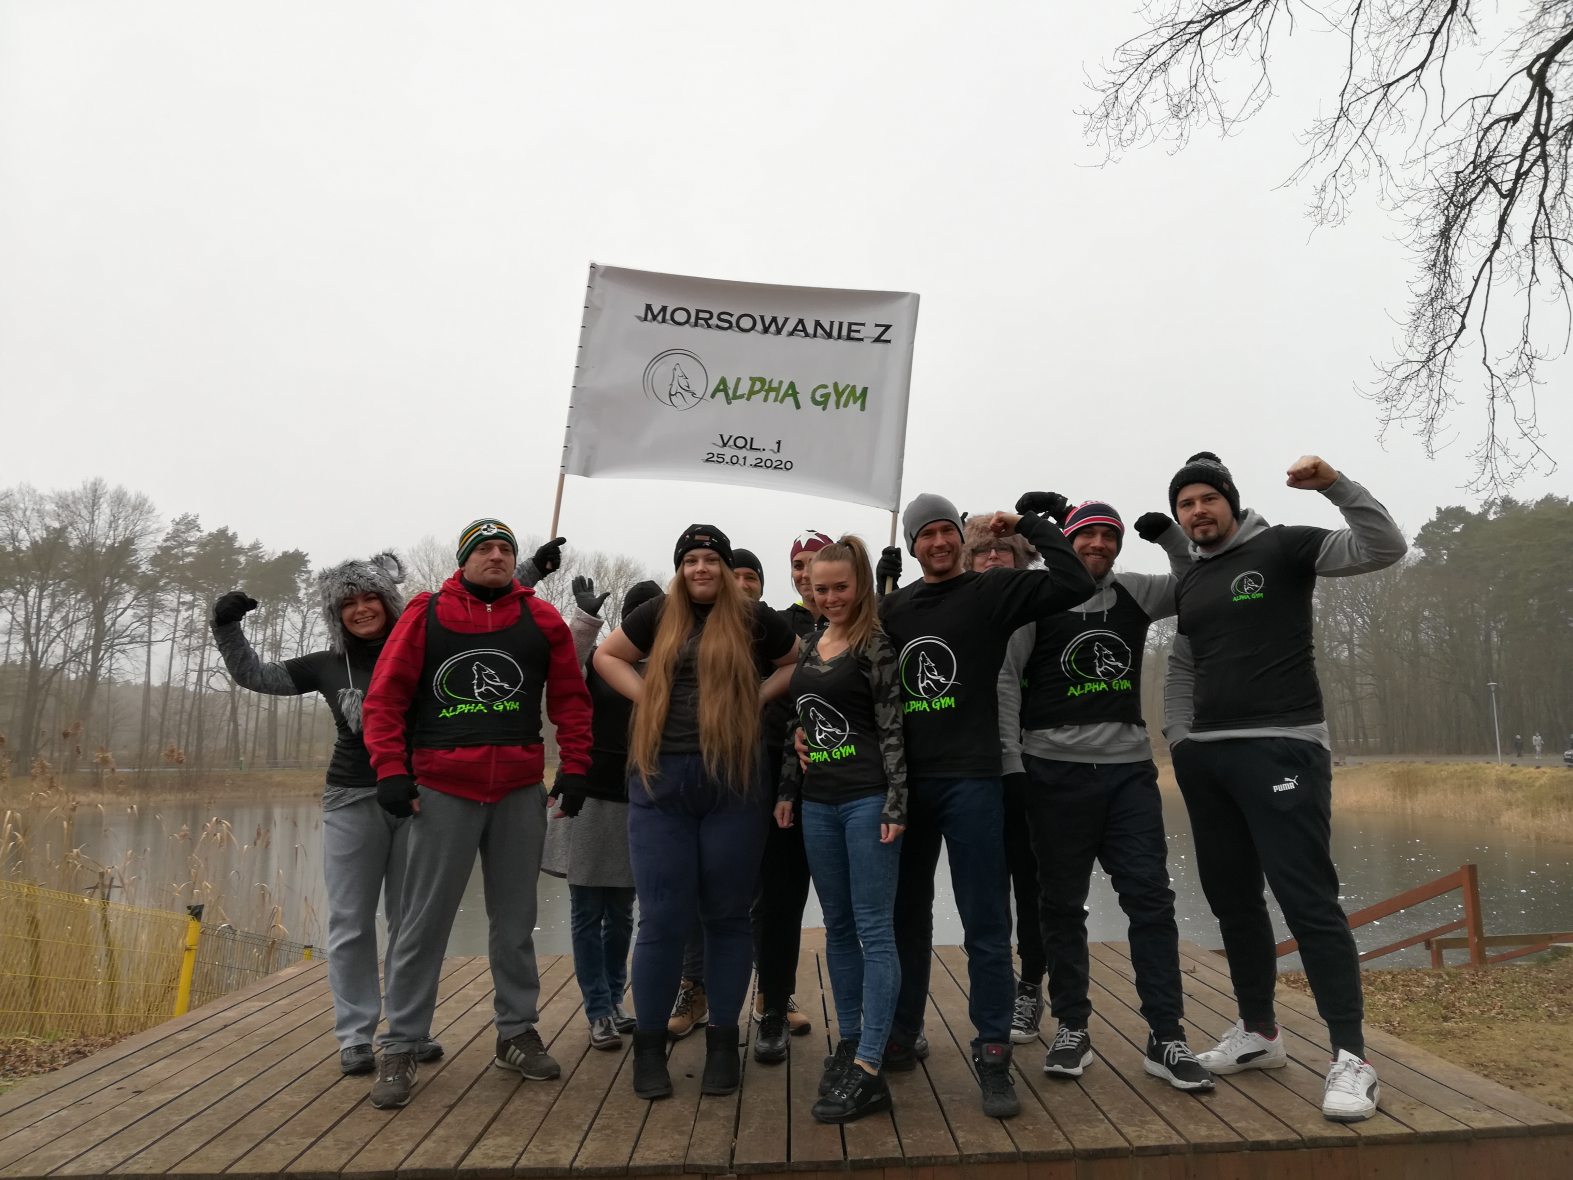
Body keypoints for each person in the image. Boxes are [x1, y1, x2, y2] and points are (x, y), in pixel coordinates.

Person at [1163, 453, 1407, 1123]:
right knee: (1233, 900)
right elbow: (1183, 665)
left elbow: (1383, 547)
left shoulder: (1284, 547)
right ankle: (1258, 1033)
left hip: (1282, 746)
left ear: (1230, 502)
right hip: (1208, 760)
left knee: (1307, 899)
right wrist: (1180, 740)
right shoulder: (1191, 579)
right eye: (1186, 504)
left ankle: (1352, 1058)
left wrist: (1335, 486)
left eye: (1208, 498)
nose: (1197, 511)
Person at [873, 494, 1095, 1118]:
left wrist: (1027, 524)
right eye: (926, 535)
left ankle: (993, 1051)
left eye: (947, 532)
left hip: (973, 779)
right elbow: (844, 669)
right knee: (906, 918)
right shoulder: (893, 608)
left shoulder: (991, 592)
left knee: (986, 924)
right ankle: (903, 1031)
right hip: (908, 786)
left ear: (960, 540)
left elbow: (1073, 581)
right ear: (913, 545)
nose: (939, 543)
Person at [361, 519, 593, 1110]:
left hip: (518, 791)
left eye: (505, 549)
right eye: (484, 549)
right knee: (423, 922)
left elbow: (571, 699)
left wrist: (576, 766)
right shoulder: (426, 614)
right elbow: (385, 698)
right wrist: (390, 770)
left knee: (515, 923)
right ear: (463, 560)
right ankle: (402, 1042)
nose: (496, 556)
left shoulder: (541, 619)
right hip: (442, 790)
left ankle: (515, 1033)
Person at [997, 500, 1213, 1091]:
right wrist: (1013, 764)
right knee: (1061, 905)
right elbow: (1006, 681)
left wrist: (1171, 536)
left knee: (1151, 901)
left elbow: (1197, 580)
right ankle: (1072, 1026)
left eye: (1108, 536)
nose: (1098, 544)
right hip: (1053, 773)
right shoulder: (1038, 598)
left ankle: (1166, 1035)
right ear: (1067, 542)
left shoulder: (1136, 591)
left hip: (1127, 774)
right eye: (1086, 534)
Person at [211, 552, 447, 1077]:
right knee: (351, 921)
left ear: (389, 602)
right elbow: (255, 675)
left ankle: (409, 1030)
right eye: (348, 603)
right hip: (351, 800)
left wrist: (527, 574)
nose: (361, 609)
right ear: (336, 613)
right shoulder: (326, 665)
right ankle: (356, 1035)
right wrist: (226, 627)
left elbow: (481, 615)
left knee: (413, 922)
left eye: (370, 598)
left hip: (420, 799)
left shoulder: (426, 652)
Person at [593, 524, 799, 1100]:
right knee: (662, 918)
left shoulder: (754, 617)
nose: (701, 568)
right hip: (661, 782)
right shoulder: (657, 614)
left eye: (711, 559)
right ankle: (649, 1049)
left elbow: (794, 663)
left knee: (728, 916)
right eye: (691, 560)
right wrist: (649, 697)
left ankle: (723, 1045)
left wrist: (754, 697)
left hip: (735, 782)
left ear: (726, 568)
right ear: (680, 569)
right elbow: (606, 656)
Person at [777, 535, 906, 1123]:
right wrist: (788, 789)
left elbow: (893, 727)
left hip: (866, 798)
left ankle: (871, 1065)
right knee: (838, 926)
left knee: (874, 929)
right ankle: (850, 1042)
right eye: (820, 588)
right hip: (818, 803)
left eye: (840, 588)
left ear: (859, 586)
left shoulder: (874, 644)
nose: (830, 597)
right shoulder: (809, 643)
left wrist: (897, 803)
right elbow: (797, 723)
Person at [548, 577, 666, 1050]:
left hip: (639, 799)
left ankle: (615, 1001)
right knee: (586, 911)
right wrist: (585, 621)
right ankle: (597, 1010)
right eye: (640, 614)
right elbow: (563, 671)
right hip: (588, 797)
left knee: (620, 914)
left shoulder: (667, 669)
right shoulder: (600, 661)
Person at [960, 516, 1047, 1045]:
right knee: (983, 891)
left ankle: (1031, 985)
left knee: (1029, 883)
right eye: (982, 551)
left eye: (1004, 550)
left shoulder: (1036, 607)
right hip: (964, 769)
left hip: (1023, 764)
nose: (992, 557)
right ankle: (993, 988)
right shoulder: (953, 606)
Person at [751, 531, 833, 1062]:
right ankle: (774, 1007)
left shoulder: (865, 625)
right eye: (798, 565)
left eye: (816, 563)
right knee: (779, 903)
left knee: (857, 910)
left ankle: (876, 1022)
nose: (806, 573)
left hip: (849, 783)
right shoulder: (776, 626)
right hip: (783, 785)